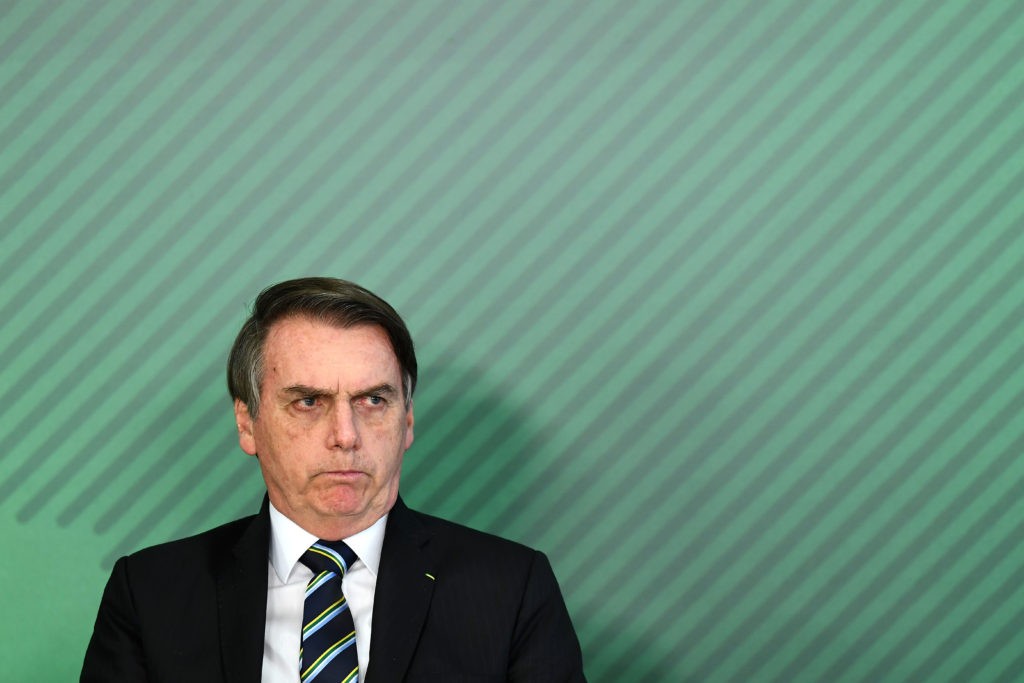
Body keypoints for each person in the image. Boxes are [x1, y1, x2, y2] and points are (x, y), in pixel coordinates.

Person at [81, 277, 586, 682]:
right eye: (308, 402)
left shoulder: (511, 590)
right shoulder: (151, 594)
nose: (346, 436)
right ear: (247, 423)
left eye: (374, 400)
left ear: (408, 420)